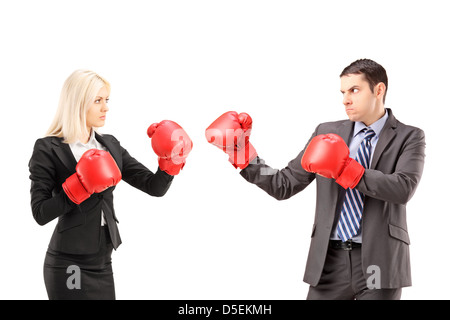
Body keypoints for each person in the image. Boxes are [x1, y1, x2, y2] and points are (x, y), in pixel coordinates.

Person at [205, 59, 426, 300]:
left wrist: (345, 168)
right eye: (343, 92)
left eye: (354, 90)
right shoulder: (326, 132)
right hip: (328, 262)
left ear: (379, 90)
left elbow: (403, 188)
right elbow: (284, 184)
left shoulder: (409, 136)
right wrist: (243, 155)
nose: (346, 100)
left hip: (379, 263)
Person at [29, 69, 193, 300]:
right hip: (69, 264)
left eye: (106, 100)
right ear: (77, 102)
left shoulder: (111, 145)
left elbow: (154, 187)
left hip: (102, 261)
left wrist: (171, 161)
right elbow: (40, 213)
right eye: (97, 101)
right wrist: (80, 186)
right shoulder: (48, 148)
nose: (106, 107)